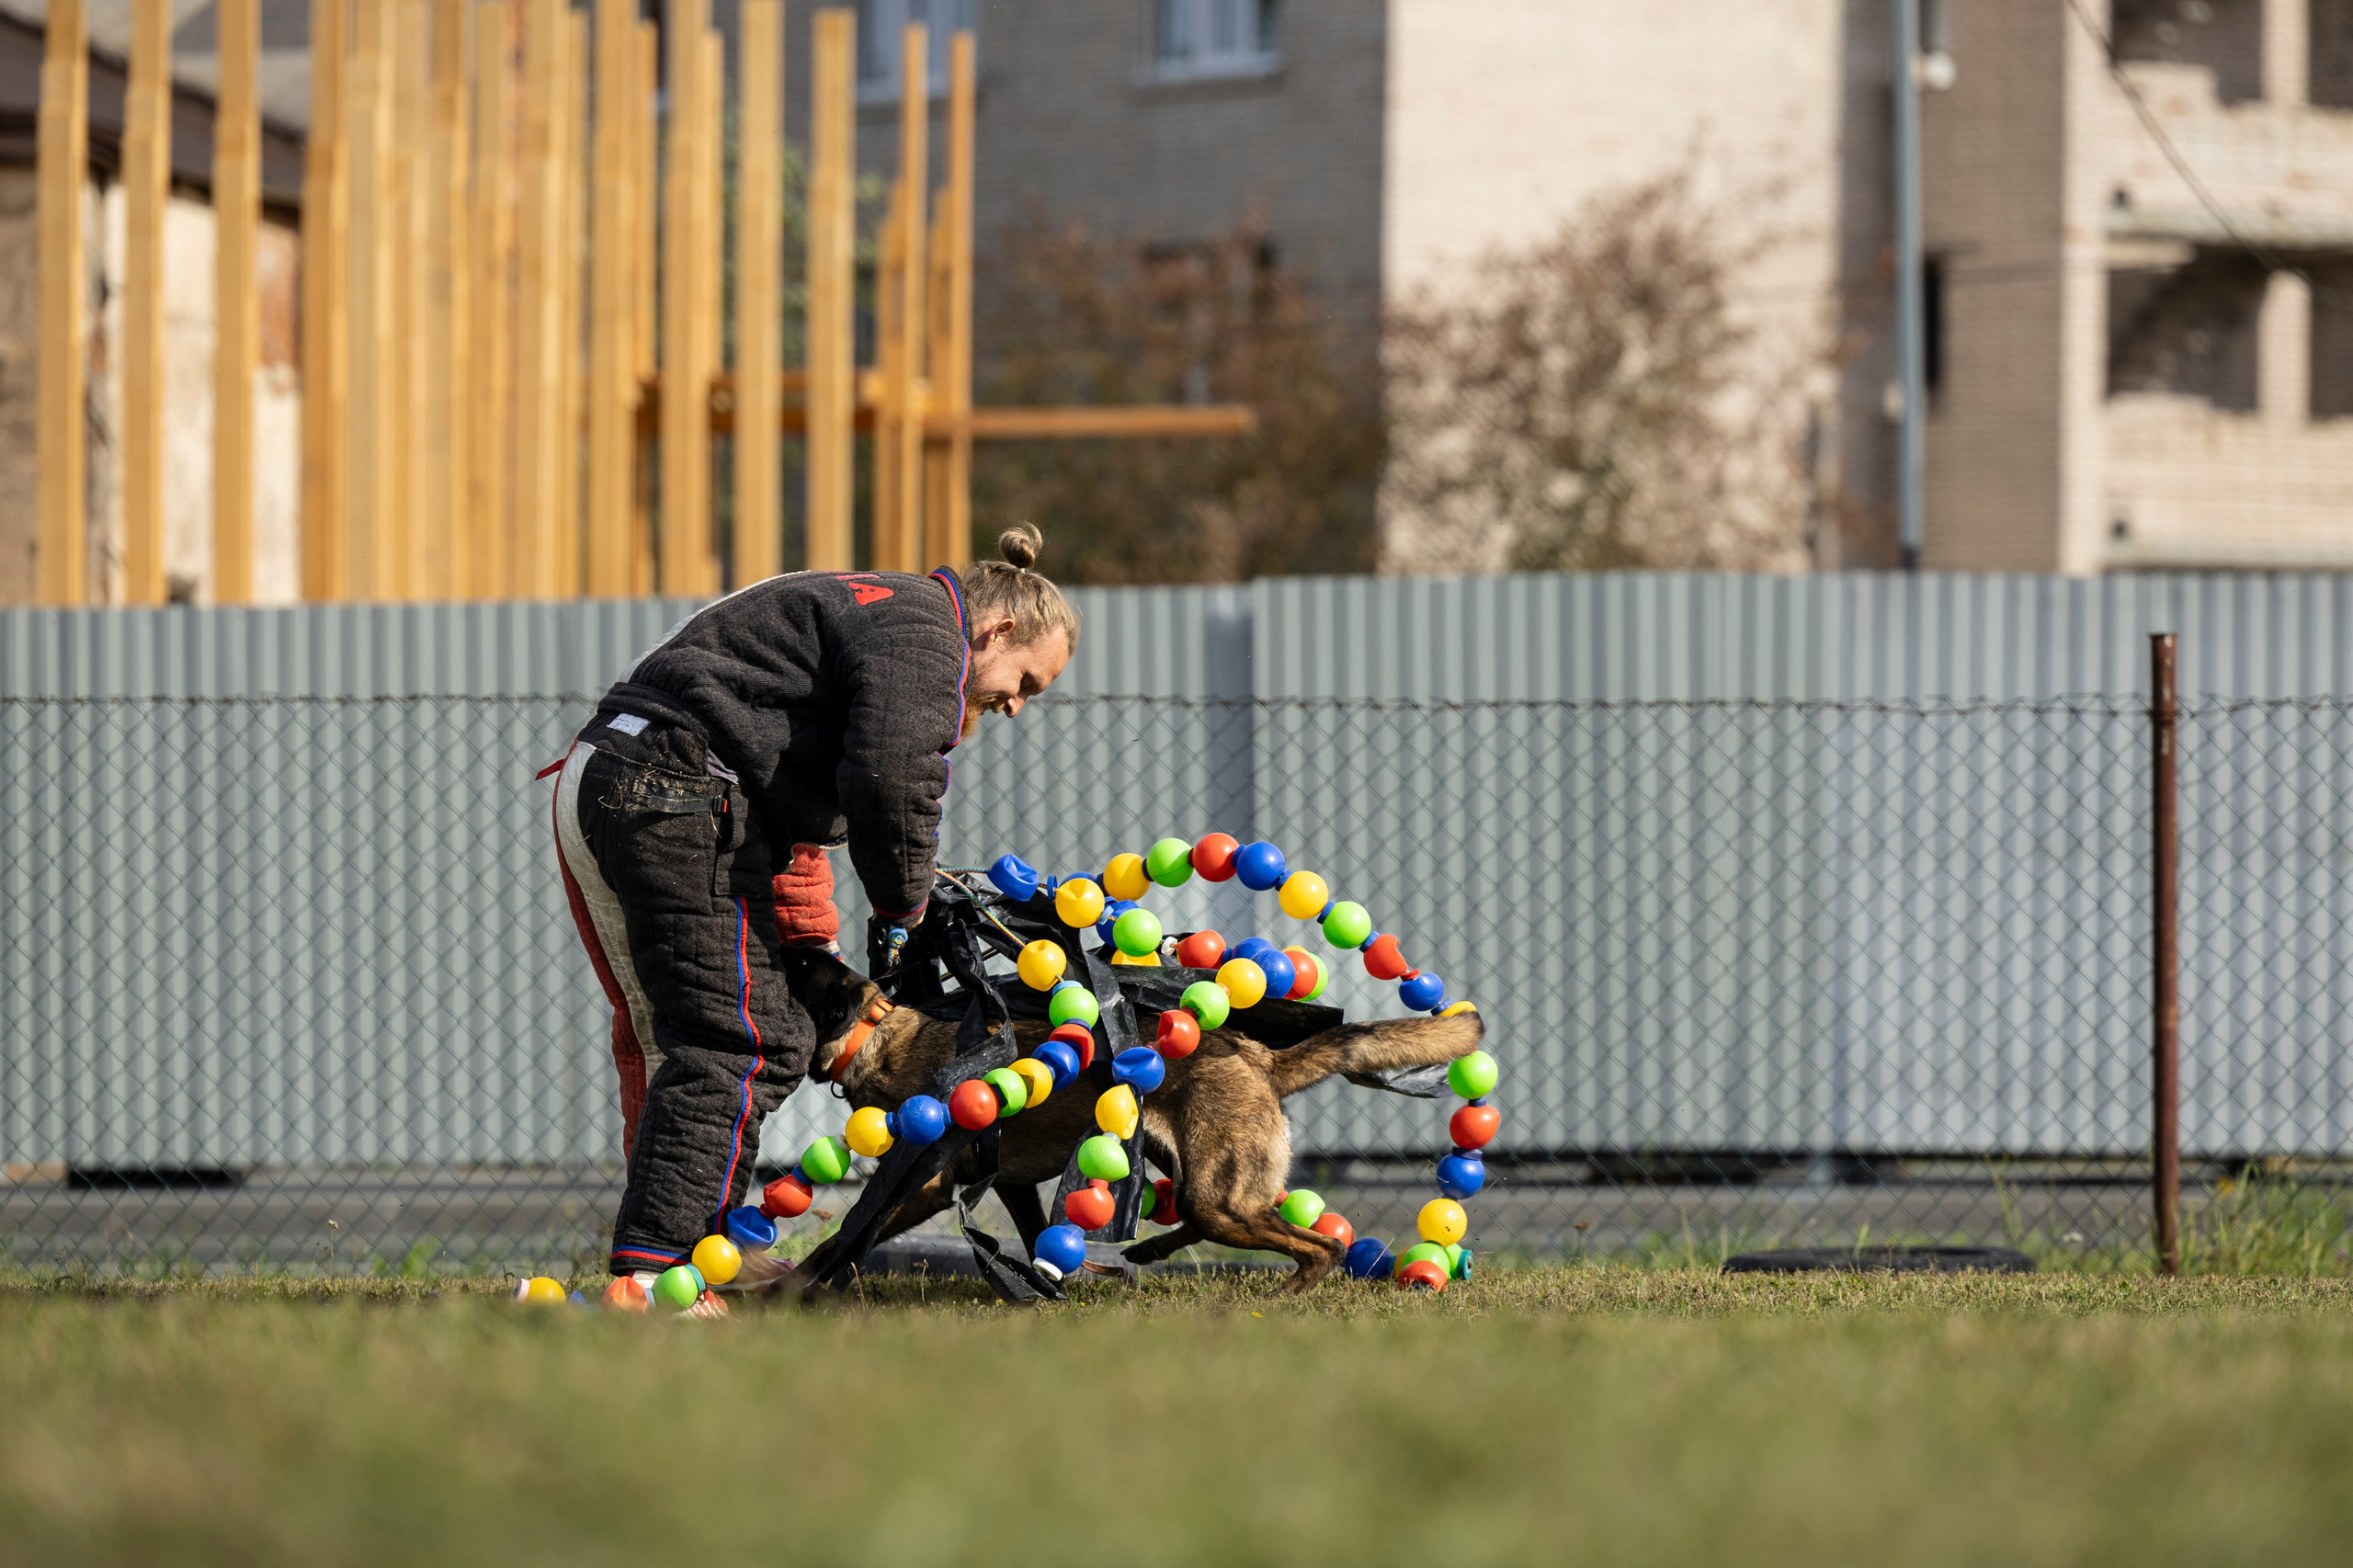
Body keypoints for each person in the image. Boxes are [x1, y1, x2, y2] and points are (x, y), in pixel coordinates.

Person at [551, 526, 1078, 1302]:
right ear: (996, 631)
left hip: (614, 774)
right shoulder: (930, 637)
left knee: (689, 1039)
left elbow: (795, 810)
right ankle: (656, 1275)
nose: (1014, 708)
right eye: (1026, 682)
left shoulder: (877, 606)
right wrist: (908, 905)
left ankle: (695, 1258)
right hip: (675, 789)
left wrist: (817, 940)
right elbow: (893, 781)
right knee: (739, 1038)